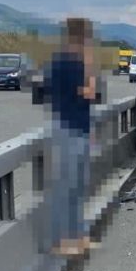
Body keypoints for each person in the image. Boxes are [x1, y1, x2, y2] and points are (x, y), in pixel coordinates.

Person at [47, 18, 96, 257]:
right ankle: (59, 240)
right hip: (68, 129)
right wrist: (89, 66)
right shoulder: (65, 63)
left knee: (78, 187)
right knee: (66, 188)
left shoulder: (73, 62)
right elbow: (88, 92)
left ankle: (77, 235)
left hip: (80, 128)